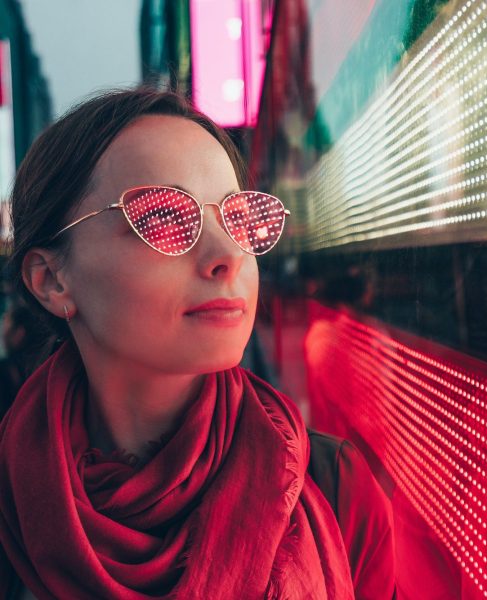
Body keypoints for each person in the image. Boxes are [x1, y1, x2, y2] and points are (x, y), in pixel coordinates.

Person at [0, 88, 395, 599]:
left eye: (238, 217)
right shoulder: (12, 509)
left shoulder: (337, 488)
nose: (227, 255)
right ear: (52, 279)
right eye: (164, 218)